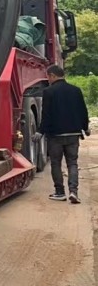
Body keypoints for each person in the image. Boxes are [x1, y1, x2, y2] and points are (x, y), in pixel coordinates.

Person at [37, 64, 90, 203]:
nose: (48, 80)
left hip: (56, 135)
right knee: (72, 163)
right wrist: (85, 127)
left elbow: (46, 115)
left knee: (56, 163)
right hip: (73, 134)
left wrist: (40, 131)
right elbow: (83, 111)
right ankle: (73, 192)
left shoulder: (48, 92)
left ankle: (60, 192)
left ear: (52, 75)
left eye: (48, 77)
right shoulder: (76, 90)